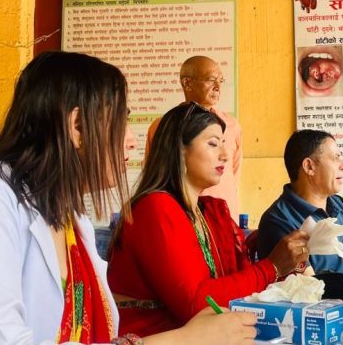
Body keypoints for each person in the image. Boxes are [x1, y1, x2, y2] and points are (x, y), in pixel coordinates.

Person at [0, 52, 257, 344]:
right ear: (77, 126)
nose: (131, 140)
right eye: (122, 121)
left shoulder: (68, 219)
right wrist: (181, 340)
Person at [108, 101, 309, 337]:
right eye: (213, 144)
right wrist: (271, 267)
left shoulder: (209, 212)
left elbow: (233, 286)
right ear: (180, 150)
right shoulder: (156, 207)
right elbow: (194, 304)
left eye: (224, 144)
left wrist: (285, 264)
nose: (225, 155)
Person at [257, 130, 343, 283]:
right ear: (309, 166)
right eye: (335, 158)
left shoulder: (342, 206)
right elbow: (311, 290)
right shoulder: (279, 221)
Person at [145, 56, 243, 218]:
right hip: (179, 215)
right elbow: (155, 176)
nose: (218, 87)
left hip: (224, 217)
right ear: (187, 83)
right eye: (211, 80)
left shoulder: (232, 126)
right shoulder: (163, 126)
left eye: (220, 80)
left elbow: (233, 173)